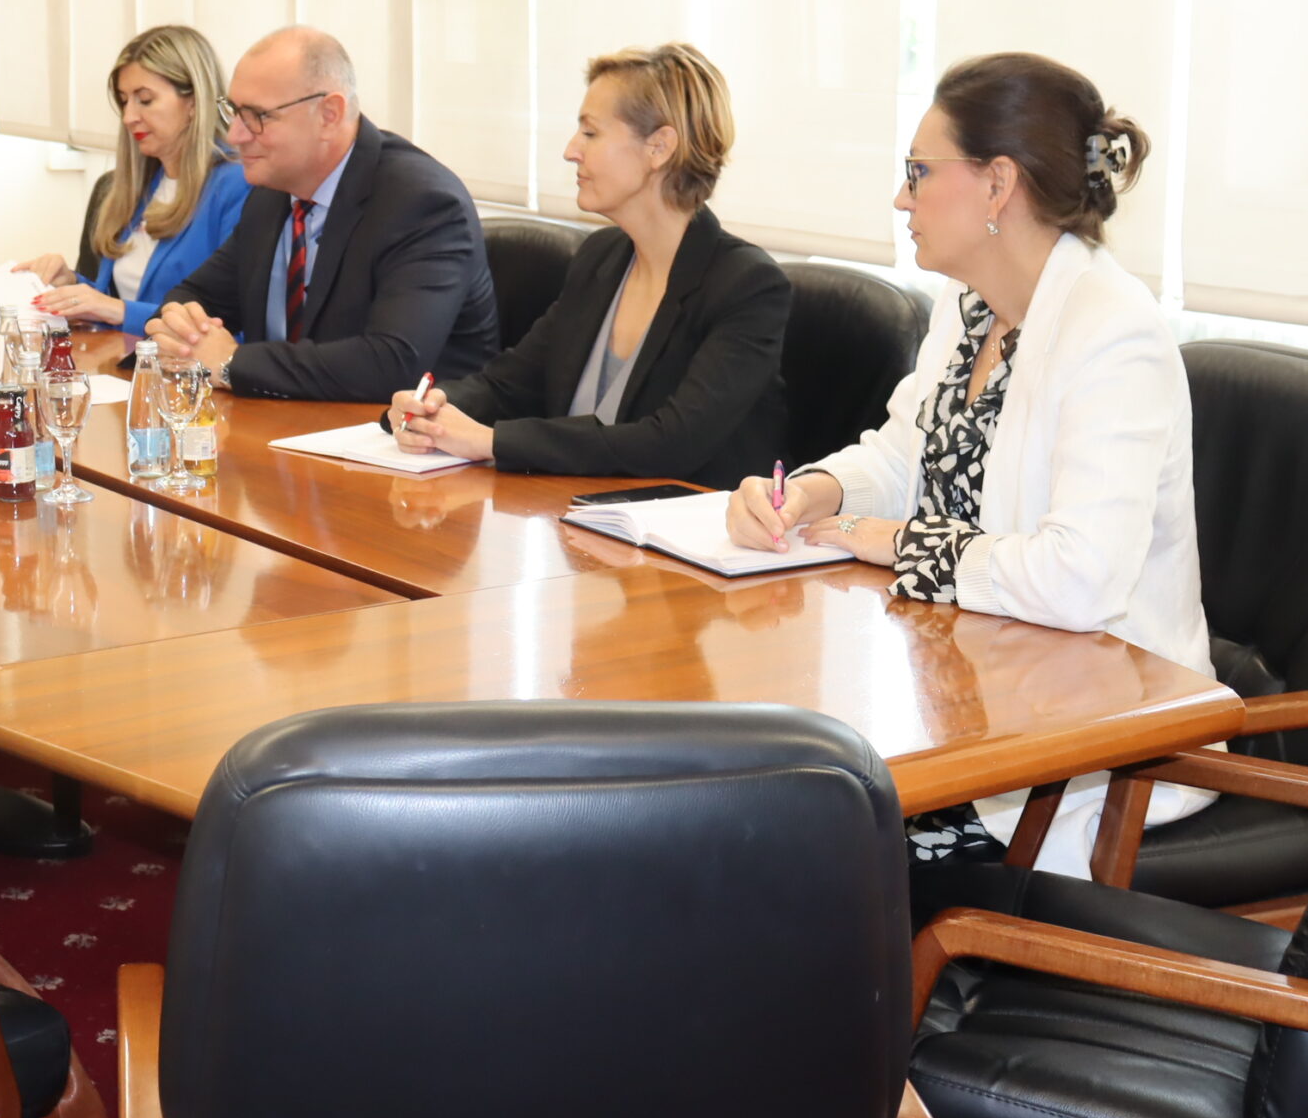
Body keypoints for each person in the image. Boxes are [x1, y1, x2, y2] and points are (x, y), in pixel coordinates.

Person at [726, 52, 1212, 876]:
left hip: (1084, 753)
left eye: (918, 171)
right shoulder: (969, 305)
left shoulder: (1113, 333)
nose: (901, 197)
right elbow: (903, 454)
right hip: (969, 701)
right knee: (752, 809)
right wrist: (814, 491)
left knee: (789, 854)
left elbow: (1080, 578)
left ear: (997, 185)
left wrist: (900, 542)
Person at [384, 43, 788, 482]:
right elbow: (509, 385)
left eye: (591, 133)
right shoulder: (601, 258)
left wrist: (491, 441)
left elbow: (671, 443)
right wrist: (431, 407)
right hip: (570, 511)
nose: (571, 150)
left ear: (659, 147)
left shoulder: (748, 286)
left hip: (682, 521)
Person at [148, 26, 497, 401]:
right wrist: (181, 329)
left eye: (257, 116)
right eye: (234, 111)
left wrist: (232, 361)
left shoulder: (422, 204)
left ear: (330, 114)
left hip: (400, 430)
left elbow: (392, 363)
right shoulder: (272, 193)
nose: (235, 135)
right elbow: (195, 295)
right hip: (284, 421)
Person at [18, 24, 250, 335]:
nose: (129, 117)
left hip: (184, 363)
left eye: (145, 99)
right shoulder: (131, 186)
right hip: (122, 358)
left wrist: (117, 310)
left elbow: (228, 322)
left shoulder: (238, 184)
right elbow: (118, 299)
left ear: (194, 102)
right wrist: (71, 284)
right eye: (124, 100)